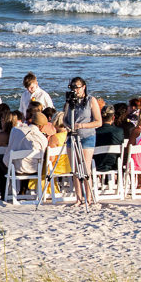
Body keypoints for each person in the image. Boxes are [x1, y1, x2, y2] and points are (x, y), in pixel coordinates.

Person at [61, 77, 102, 205]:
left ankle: (88, 197)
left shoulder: (91, 101)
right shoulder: (69, 101)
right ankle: (78, 198)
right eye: (73, 87)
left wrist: (81, 126)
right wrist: (68, 126)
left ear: (83, 87)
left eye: (77, 87)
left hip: (86, 136)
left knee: (85, 168)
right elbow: (64, 118)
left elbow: (98, 122)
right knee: (74, 169)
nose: (75, 90)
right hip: (72, 137)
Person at [8, 111, 49, 185]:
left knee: (1, 159)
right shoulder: (43, 138)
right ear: (41, 126)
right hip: (34, 170)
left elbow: (9, 148)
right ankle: (24, 190)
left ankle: (4, 190)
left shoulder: (15, 130)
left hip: (15, 169)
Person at [94, 103, 128, 173]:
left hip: (97, 165)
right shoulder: (119, 131)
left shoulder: (95, 132)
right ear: (113, 118)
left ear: (101, 117)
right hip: (115, 165)